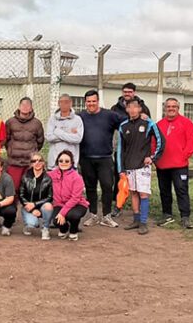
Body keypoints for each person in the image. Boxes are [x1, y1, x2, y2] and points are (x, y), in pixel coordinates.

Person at [117, 99, 164, 235]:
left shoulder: (148, 123)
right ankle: (136, 220)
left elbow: (161, 141)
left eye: (135, 107)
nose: (132, 110)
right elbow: (120, 150)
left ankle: (144, 222)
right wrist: (121, 170)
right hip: (129, 166)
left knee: (143, 194)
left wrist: (153, 157)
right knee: (134, 193)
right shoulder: (123, 126)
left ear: (140, 109)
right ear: (126, 109)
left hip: (143, 167)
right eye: (129, 107)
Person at [77, 90, 123, 228]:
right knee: (90, 188)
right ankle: (93, 215)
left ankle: (106, 216)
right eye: (88, 101)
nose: (91, 104)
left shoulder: (109, 115)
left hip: (105, 158)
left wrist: (142, 117)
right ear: (85, 103)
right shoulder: (80, 116)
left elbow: (127, 122)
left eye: (94, 101)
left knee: (107, 186)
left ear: (98, 101)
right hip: (86, 158)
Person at [155, 97, 193, 229]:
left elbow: (191, 142)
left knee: (181, 190)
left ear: (178, 108)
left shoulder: (186, 123)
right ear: (165, 108)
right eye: (168, 106)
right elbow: (153, 142)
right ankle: (167, 214)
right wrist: (155, 158)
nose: (171, 109)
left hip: (179, 165)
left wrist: (183, 156)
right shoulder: (159, 124)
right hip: (162, 165)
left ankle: (185, 216)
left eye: (174, 106)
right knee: (164, 191)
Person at [48, 150, 89, 241]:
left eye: (67, 161)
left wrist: (62, 213)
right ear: (57, 162)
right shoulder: (52, 175)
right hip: (59, 204)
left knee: (72, 215)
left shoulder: (77, 177)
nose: (63, 163)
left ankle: (73, 230)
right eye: (61, 161)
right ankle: (64, 229)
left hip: (77, 204)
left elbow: (75, 198)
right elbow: (39, 176)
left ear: (71, 163)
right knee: (55, 221)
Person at [5, 97, 45, 190]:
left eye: (28, 105)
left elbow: (40, 141)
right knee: (13, 187)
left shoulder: (37, 123)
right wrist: (12, 151)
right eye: (23, 105)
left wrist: (32, 153)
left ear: (31, 108)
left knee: (29, 188)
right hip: (14, 162)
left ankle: (27, 204)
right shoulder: (10, 122)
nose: (25, 107)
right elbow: (6, 140)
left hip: (29, 163)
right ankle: (13, 204)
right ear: (19, 107)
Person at [17, 152, 54, 240]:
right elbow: (21, 195)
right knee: (32, 224)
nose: (37, 163)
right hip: (28, 206)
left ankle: (45, 228)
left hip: (42, 206)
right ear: (31, 163)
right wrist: (32, 208)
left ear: (43, 163)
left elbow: (50, 197)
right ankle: (28, 224)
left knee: (49, 206)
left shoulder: (48, 178)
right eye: (34, 161)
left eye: (39, 160)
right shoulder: (25, 177)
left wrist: (35, 204)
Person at [46, 93, 84, 168]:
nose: (63, 104)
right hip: (54, 164)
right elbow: (49, 137)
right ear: (58, 104)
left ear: (71, 103)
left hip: (71, 163)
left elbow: (78, 139)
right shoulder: (52, 119)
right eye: (61, 102)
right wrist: (69, 134)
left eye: (66, 102)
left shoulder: (77, 119)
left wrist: (58, 132)